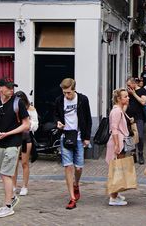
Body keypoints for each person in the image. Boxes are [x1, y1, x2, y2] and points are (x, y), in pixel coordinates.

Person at [0, 77, 30, 218]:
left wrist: (8, 134)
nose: (12, 90)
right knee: (2, 173)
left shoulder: (18, 103)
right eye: (8, 87)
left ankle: (7, 206)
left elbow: (26, 125)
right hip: (0, 144)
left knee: (6, 174)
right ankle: (11, 197)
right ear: (0, 88)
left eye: (13, 87)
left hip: (14, 143)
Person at [54, 78, 92, 210]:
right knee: (68, 167)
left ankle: (76, 183)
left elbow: (88, 118)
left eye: (68, 93)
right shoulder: (59, 100)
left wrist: (87, 137)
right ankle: (72, 197)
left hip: (79, 137)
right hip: (65, 136)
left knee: (79, 167)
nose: (66, 95)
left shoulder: (83, 100)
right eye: (64, 92)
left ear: (74, 89)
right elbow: (56, 115)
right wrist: (58, 122)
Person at [105, 88, 130, 206]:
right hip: (118, 141)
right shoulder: (116, 112)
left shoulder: (119, 109)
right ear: (119, 99)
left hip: (120, 141)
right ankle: (113, 197)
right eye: (125, 97)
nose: (128, 98)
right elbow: (114, 129)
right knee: (117, 170)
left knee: (119, 168)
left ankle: (116, 193)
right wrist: (116, 145)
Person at [12, 91, 39, 196]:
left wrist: (28, 124)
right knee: (13, 164)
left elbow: (35, 125)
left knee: (24, 162)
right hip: (14, 138)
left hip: (25, 137)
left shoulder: (31, 109)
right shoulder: (13, 110)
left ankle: (24, 186)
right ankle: (13, 186)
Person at [126, 77, 146, 164]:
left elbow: (143, 102)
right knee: (130, 136)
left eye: (129, 85)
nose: (127, 87)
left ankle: (140, 153)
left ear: (134, 84)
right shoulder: (127, 92)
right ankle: (133, 154)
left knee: (140, 136)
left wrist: (134, 94)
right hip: (129, 117)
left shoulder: (142, 91)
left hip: (139, 117)